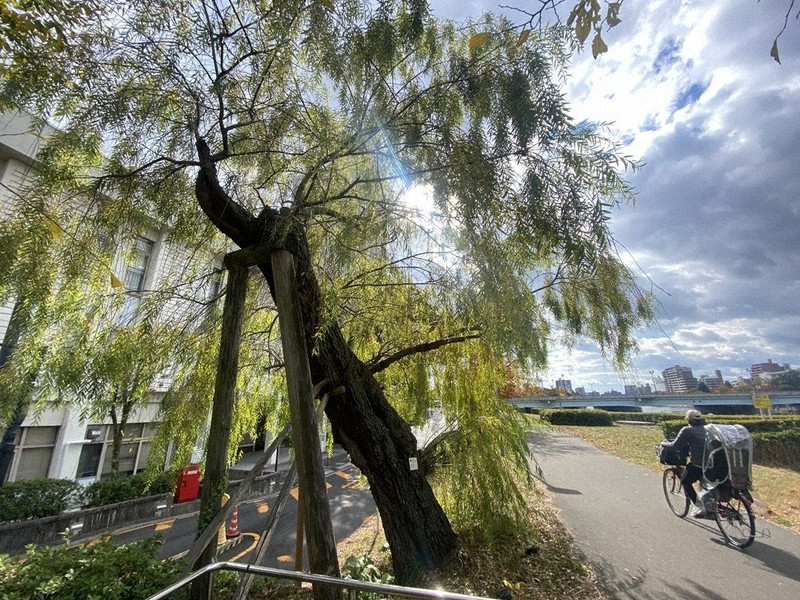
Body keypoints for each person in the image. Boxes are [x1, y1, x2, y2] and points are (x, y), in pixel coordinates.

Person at [661, 409, 707, 517]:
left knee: (685, 480)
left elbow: (675, 446)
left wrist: (663, 444)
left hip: (698, 465)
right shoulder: (708, 429)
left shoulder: (687, 430)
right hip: (714, 465)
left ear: (689, 420)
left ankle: (700, 506)